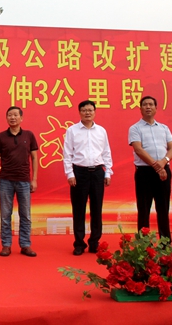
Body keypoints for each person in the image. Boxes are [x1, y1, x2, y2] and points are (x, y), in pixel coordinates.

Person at [63, 100, 113, 256]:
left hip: (97, 172)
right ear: (79, 112)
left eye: (90, 110)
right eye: (84, 110)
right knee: (79, 209)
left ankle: (94, 242)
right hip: (79, 173)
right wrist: (70, 174)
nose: (87, 113)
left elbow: (106, 152)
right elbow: (67, 154)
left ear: (95, 112)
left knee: (97, 209)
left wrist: (108, 172)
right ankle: (79, 243)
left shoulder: (101, 131)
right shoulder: (72, 130)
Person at [0, 106, 38, 257]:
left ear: (21, 118)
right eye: (9, 115)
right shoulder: (1, 137)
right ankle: (6, 245)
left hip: (24, 180)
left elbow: (34, 158)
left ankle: (25, 245)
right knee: (5, 215)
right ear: (6, 118)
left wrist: (34, 179)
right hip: (5, 180)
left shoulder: (29, 135)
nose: (12, 117)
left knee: (26, 215)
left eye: (15, 115)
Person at [128, 95, 172, 241]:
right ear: (140, 109)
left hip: (164, 170)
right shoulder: (135, 128)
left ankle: (165, 243)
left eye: (151, 104)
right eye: (145, 105)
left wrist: (164, 161)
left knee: (163, 208)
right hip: (145, 172)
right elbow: (138, 149)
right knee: (144, 209)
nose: (148, 107)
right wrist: (157, 166)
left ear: (156, 108)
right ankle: (144, 244)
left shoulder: (164, 128)